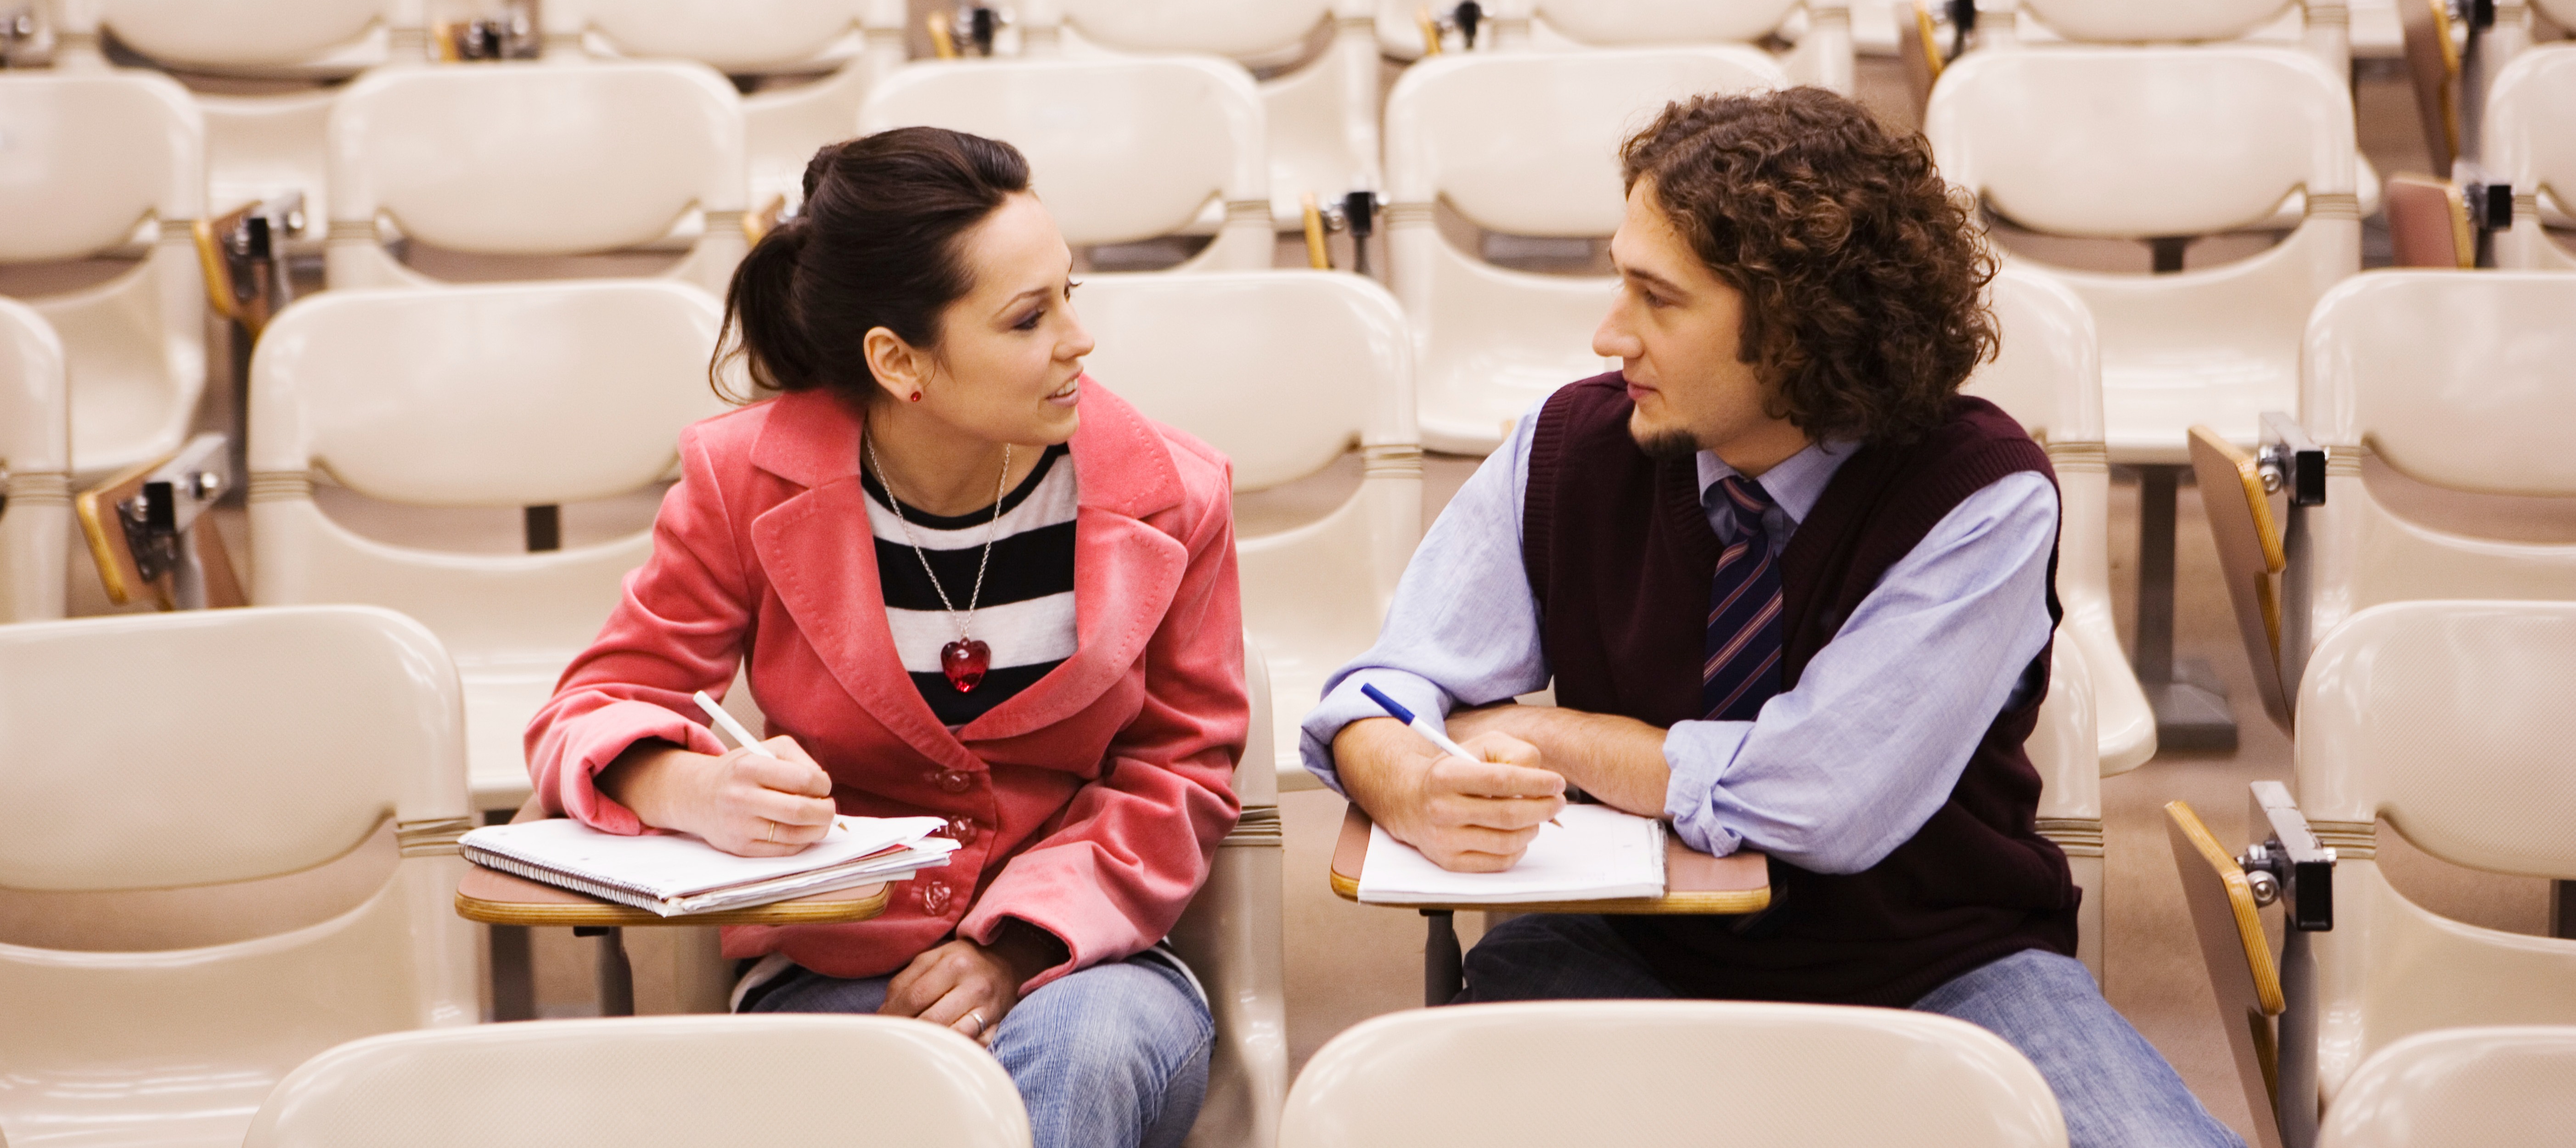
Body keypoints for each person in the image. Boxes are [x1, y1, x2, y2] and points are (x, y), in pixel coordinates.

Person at [1301, 88, 2242, 1148]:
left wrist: (1563, 737)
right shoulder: (1571, 448)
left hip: (1937, 966)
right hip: (1623, 951)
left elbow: (1817, 800)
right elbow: (1380, 691)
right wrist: (1409, 776)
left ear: (1799, 327)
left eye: (1657, 299)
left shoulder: (1983, 495)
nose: (1609, 334)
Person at [527, 127, 1245, 1148]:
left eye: (1070, 294)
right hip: (832, 970)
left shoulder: (1174, 496)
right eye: (1029, 318)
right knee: (879, 1109)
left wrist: (1010, 953)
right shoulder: (741, 482)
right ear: (899, 362)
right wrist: (690, 788)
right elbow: (589, 711)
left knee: (1081, 1063)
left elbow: (1183, 771)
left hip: (1088, 965)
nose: (1080, 340)